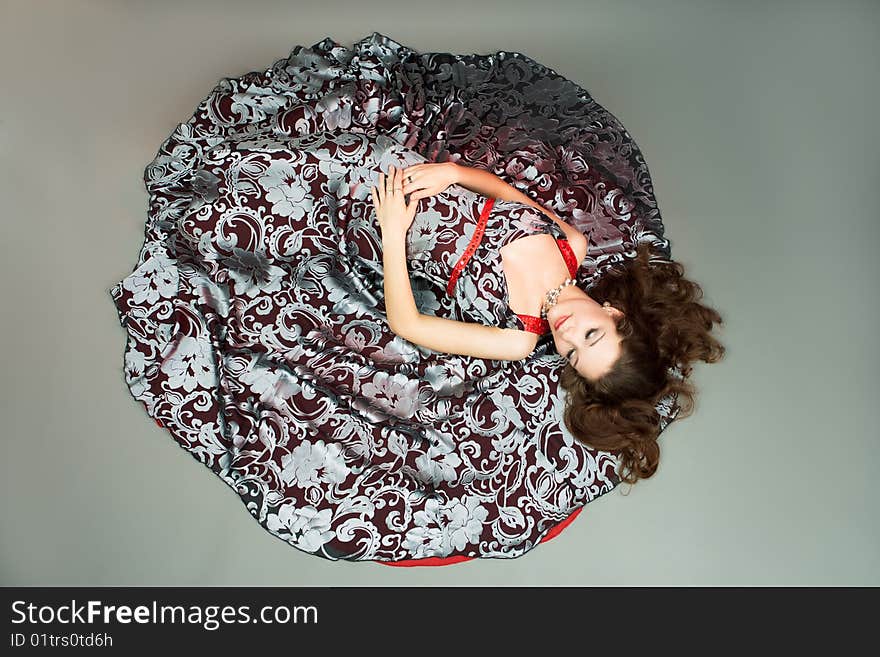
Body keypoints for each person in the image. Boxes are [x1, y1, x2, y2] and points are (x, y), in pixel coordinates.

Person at [373, 159, 725, 485]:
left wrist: (391, 231)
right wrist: (453, 173)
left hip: (373, 219)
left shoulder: (518, 339)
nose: (568, 333)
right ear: (614, 313)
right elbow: (505, 195)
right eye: (591, 334)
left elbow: (408, 325)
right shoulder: (573, 245)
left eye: (571, 353)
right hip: (406, 170)